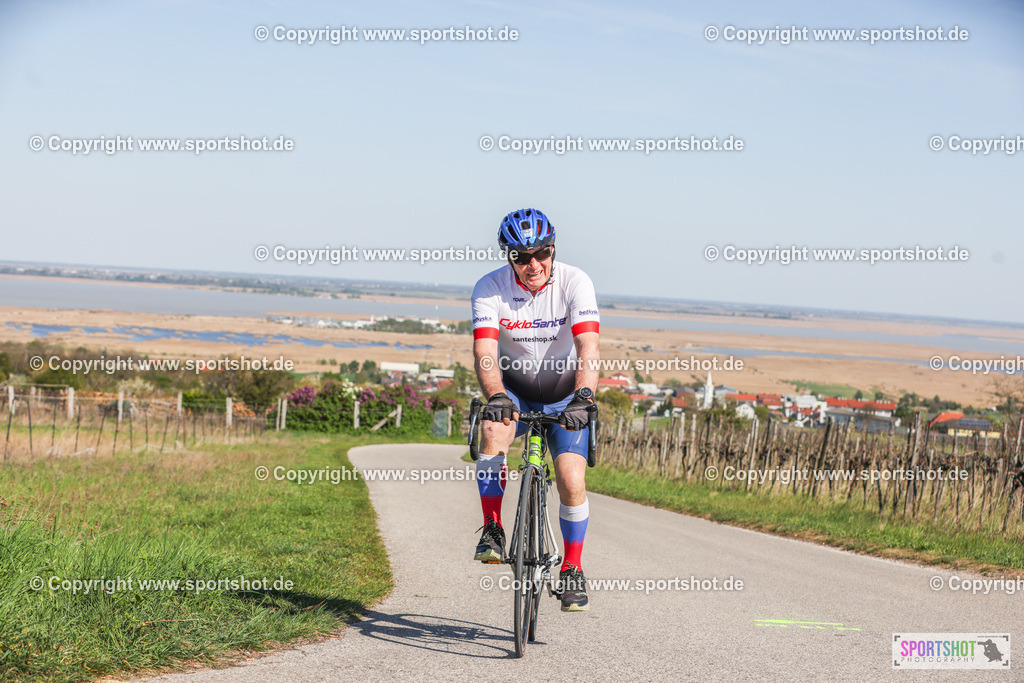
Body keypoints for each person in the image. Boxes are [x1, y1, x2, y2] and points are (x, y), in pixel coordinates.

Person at [471, 207, 599, 612]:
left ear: (553, 249)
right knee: (494, 433)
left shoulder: (575, 282)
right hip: (515, 393)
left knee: (570, 478)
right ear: (508, 256)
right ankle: (493, 529)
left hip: (566, 396)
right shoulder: (489, 288)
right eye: (521, 257)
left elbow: (588, 348)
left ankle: (572, 569)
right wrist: (496, 395)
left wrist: (584, 397)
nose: (533, 265)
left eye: (541, 253)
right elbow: (486, 352)